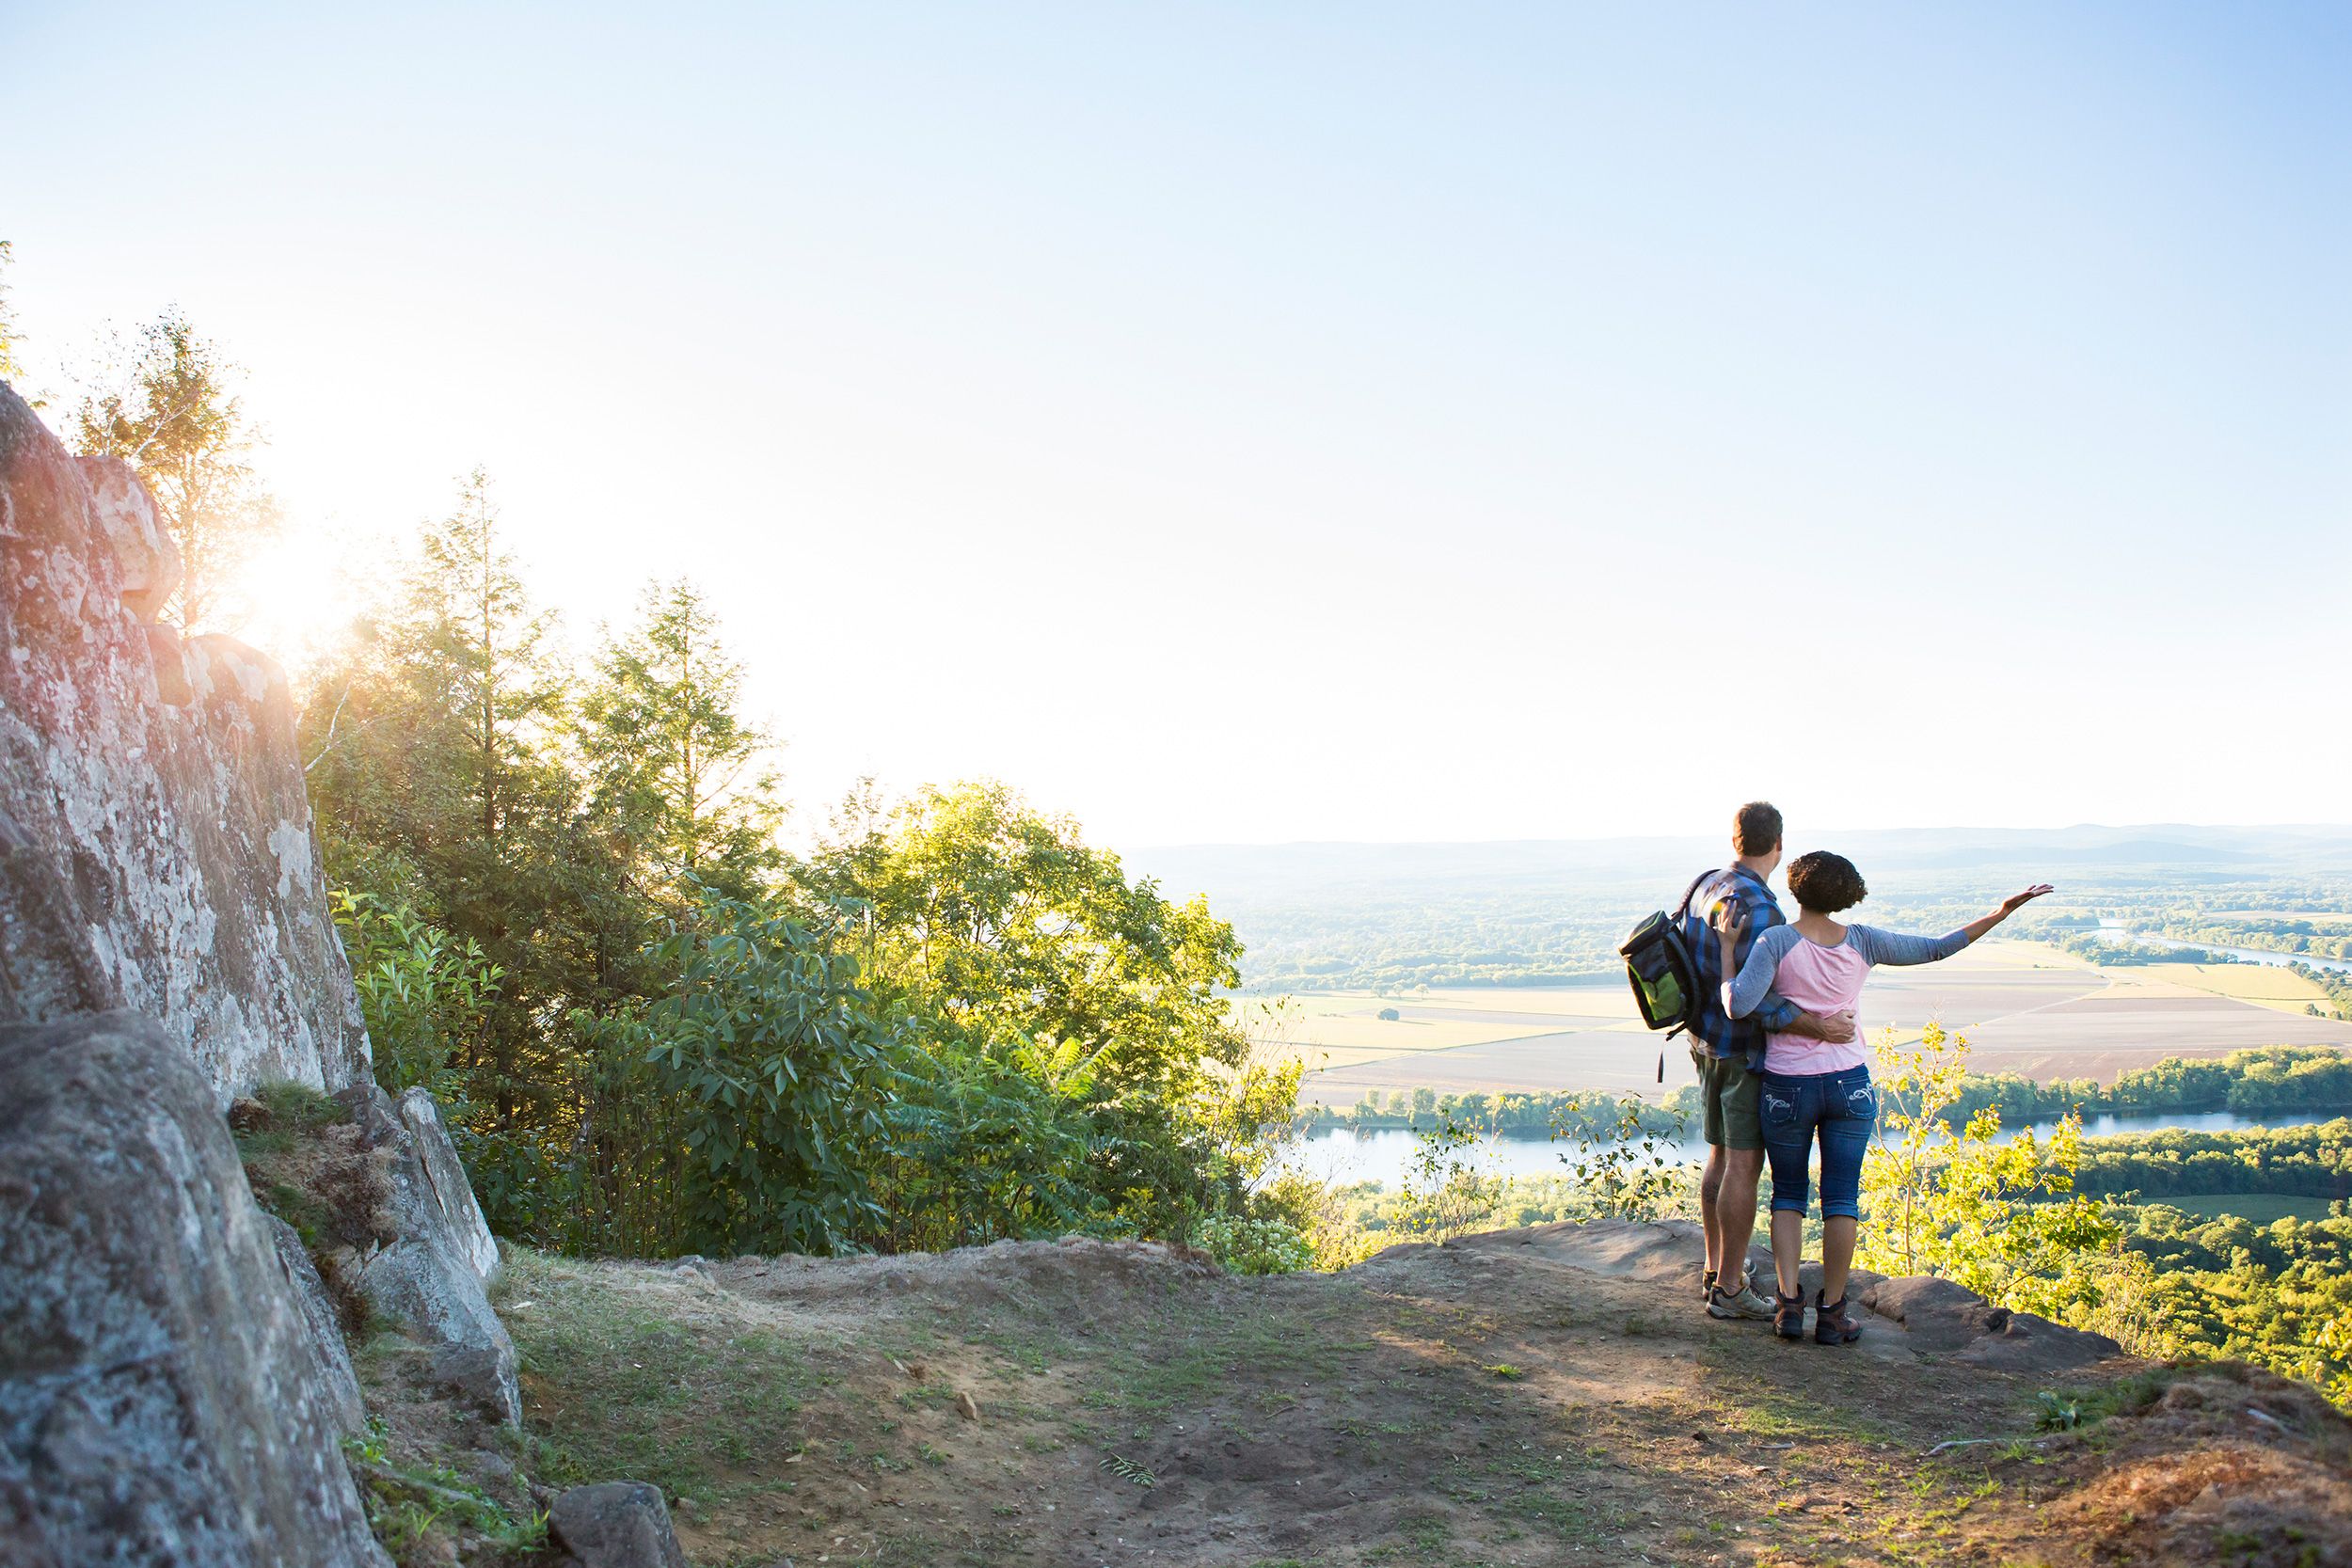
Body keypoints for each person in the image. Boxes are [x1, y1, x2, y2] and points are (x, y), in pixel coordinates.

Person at [1715, 852, 2052, 1343]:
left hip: (1787, 1085)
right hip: (1849, 1083)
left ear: (1795, 890)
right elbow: (1938, 948)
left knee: (1788, 1195)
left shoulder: (1776, 942)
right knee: (1842, 1199)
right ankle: (1831, 1314)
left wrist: (1728, 952)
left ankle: (1789, 1308)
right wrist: (1999, 914)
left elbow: (1737, 1005)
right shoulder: (1864, 941)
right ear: (1845, 894)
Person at [1679, 802, 1859, 1322]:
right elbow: (1760, 999)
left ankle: (1716, 1269)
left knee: (1718, 1156)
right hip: (1742, 1051)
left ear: (1734, 839)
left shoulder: (1704, 885)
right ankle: (1731, 1290)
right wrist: (1817, 1026)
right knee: (1744, 1164)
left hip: (1705, 1043)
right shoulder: (1762, 911)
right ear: (1778, 844)